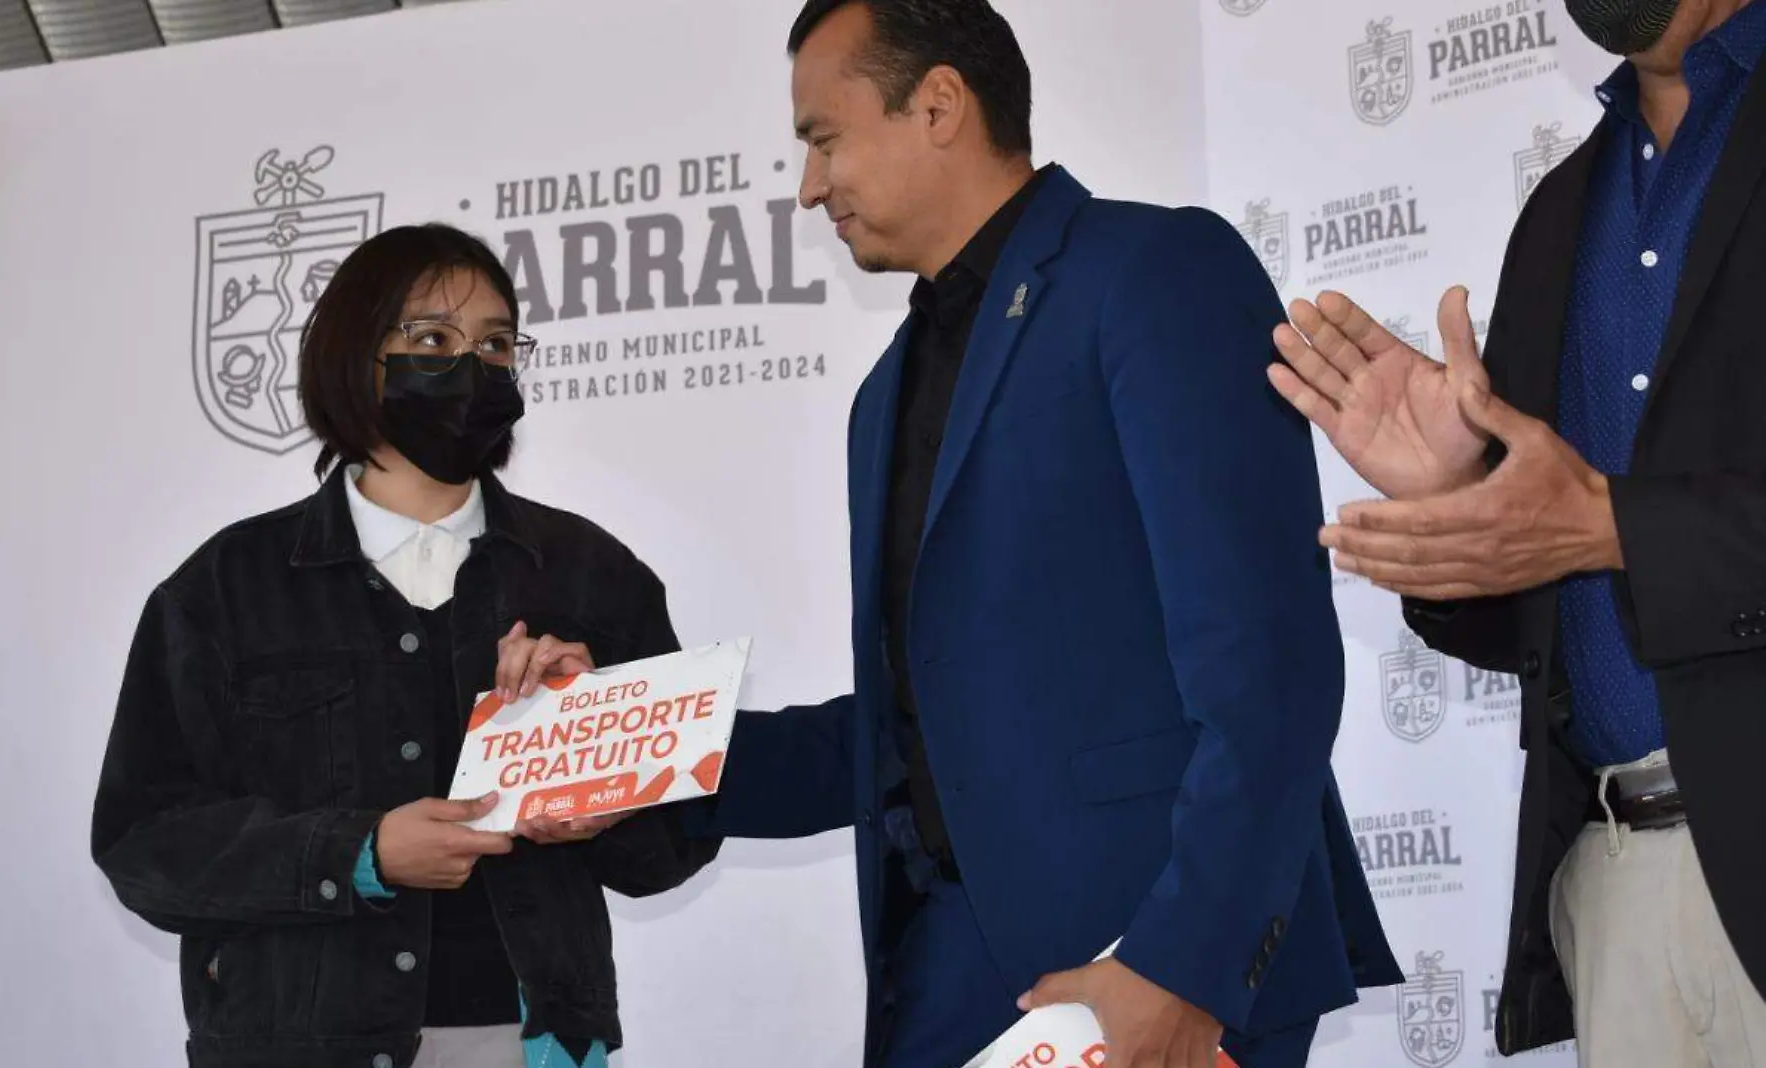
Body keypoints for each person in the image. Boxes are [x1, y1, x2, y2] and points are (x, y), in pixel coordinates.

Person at [501, 2, 1400, 1065]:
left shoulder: (1155, 271)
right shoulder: (883, 393)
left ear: (936, 105)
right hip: (946, 973)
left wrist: (1184, 965)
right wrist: (616, 749)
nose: (809, 187)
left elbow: (1269, 663)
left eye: (823, 140)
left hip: (1148, 968)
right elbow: (903, 732)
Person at [89, 223, 719, 1068]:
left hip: (534, 1043)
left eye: (495, 345)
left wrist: (599, 799)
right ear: (355, 356)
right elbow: (145, 845)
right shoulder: (225, 589)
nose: (471, 367)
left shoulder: (591, 576)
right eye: (431, 340)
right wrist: (362, 852)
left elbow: (676, 844)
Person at [1267, 0, 1766, 1062]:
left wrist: (1616, 527)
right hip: (1613, 880)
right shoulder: (1559, 210)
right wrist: (1456, 505)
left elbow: (1602, 533)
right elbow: (1542, 611)